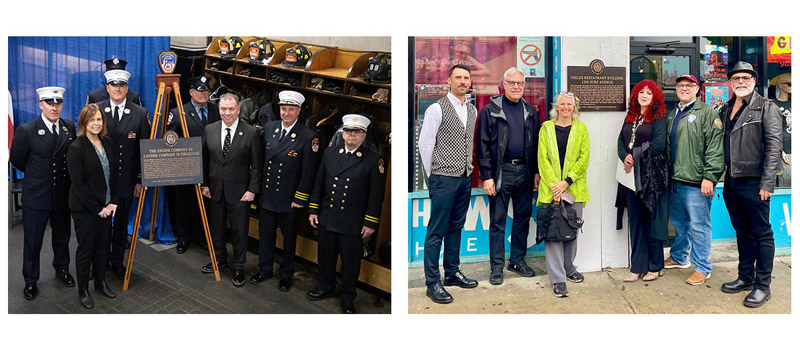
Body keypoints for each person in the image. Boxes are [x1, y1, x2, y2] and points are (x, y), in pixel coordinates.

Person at [307, 114, 386, 314]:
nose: (352, 135)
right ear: (342, 133)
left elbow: (376, 196)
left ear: (364, 135)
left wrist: (370, 222)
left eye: (357, 132)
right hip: (328, 215)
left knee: (350, 263)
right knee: (325, 256)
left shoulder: (373, 160)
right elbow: (318, 184)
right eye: (349, 131)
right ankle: (325, 286)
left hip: (353, 221)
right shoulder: (329, 153)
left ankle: (348, 297)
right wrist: (313, 209)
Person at [719, 61, 782, 308]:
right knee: (742, 232)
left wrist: (767, 182)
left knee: (762, 234)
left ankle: (762, 286)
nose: (741, 82)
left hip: (756, 182)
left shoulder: (766, 107)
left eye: (746, 78)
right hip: (732, 181)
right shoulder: (725, 109)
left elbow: (774, 146)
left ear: (754, 81)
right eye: (737, 79)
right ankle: (745, 277)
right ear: (731, 83)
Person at [417, 64, 479, 304]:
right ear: (449, 80)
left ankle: (452, 272)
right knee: (436, 231)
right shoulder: (436, 108)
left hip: (464, 178)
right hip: (443, 178)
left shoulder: (471, 110)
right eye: (458, 77)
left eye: (466, 78)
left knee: (456, 227)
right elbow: (425, 144)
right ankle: (432, 282)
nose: (463, 82)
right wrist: (433, 177)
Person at [10, 86, 76, 300]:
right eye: (50, 103)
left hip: (62, 195)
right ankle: (30, 280)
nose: (54, 107)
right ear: (40, 105)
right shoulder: (27, 130)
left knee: (62, 237)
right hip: (37, 196)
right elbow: (19, 160)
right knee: (33, 241)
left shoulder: (68, 128)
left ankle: (62, 269)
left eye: (58, 103)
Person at [476, 67, 541, 285]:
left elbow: (537, 146)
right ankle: (496, 267)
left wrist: (536, 172)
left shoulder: (531, 111)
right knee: (497, 222)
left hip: (524, 172)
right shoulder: (490, 111)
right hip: (500, 173)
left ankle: (517, 261)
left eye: (519, 83)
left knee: (522, 219)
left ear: (524, 86)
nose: (515, 87)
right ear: (503, 85)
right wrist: (487, 176)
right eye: (511, 83)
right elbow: (482, 145)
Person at [253, 90, 320, 291]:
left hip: (289, 199)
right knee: (265, 236)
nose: (286, 113)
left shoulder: (308, 136)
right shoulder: (269, 128)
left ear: (299, 111)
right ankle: (264, 269)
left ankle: (286, 274)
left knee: (289, 241)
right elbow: (262, 162)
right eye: (283, 108)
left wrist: (300, 198)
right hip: (268, 195)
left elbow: (309, 171)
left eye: (291, 109)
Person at [663, 74, 724, 286]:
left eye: (689, 85)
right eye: (681, 86)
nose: (684, 88)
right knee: (680, 224)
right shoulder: (674, 114)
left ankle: (703, 267)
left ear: (697, 89)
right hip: (675, 180)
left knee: (699, 225)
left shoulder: (707, 113)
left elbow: (716, 148)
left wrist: (709, 176)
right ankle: (680, 257)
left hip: (697, 182)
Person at [200, 93, 263, 287]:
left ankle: (238, 267)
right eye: (223, 109)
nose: (227, 113)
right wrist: (204, 184)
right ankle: (219, 259)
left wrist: (252, 190)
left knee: (239, 232)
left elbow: (257, 165)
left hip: (240, 193)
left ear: (238, 110)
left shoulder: (251, 132)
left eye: (230, 109)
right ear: (219, 110)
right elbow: (204, 160)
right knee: (216, 228)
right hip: (215, 190)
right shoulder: (209, 129)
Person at [97, 68, 151, 278]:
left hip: (126, 181)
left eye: (122, 85)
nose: (117, 88)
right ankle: (98, 262)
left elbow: (142, 150)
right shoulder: (97, 110)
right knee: (100, 225)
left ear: (127, 88)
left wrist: (139, 180)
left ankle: (117, 261)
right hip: (100, 180)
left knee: (120, 225)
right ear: (107, 87)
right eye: (114, 85)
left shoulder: (139, 113)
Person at [537, 91, 590, 298]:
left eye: (570, 104)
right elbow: (543, 159)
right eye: (562, 104)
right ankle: (558, 279)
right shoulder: (546, 129)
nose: (566, 107)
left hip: (574, 190)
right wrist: (555, 186)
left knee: (571, 232)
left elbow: (583, 159)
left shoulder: (581, 129)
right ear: (556, 107)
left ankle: (569, 268)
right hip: (551, 191)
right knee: (553, 235)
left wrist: (566, 182)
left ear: (574, 108)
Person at [616, 80, 669, 283]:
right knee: (636, 221)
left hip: (651, 178)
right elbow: (620, 141)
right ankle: (637, 266)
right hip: (630, 177)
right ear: (635, 95)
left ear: (654, 96)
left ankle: (655, 266)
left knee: (651, 222)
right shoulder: (630, 116)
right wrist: (625, 157)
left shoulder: (658, 118)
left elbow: (657, 145)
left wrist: (635, 156)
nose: (645, 95)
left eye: (649, 92)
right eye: (641, 92)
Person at [66, 104, 119, 309]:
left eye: (99, 119)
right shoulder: (76, 147)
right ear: (84, 123)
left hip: (107, 207)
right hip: (85, 209)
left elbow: (114, 175)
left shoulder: (107, 142)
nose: (96, 123)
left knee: (102, 249)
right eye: (92, 120)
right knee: (85, 250)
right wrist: (99, 208)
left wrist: (113, 201)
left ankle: (100, 283)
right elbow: (78, 185)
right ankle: (83, 290)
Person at [167, 76, 220, 254]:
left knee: (204, 205)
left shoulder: (216, 111)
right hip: (186, 167)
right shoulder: (178, 112)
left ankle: (201, 237)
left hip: (209, 167)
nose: (203, 94)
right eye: (199, 91)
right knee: (184, 204)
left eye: (206, 91)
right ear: (191, 92)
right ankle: (183, 238)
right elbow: (170, 139)